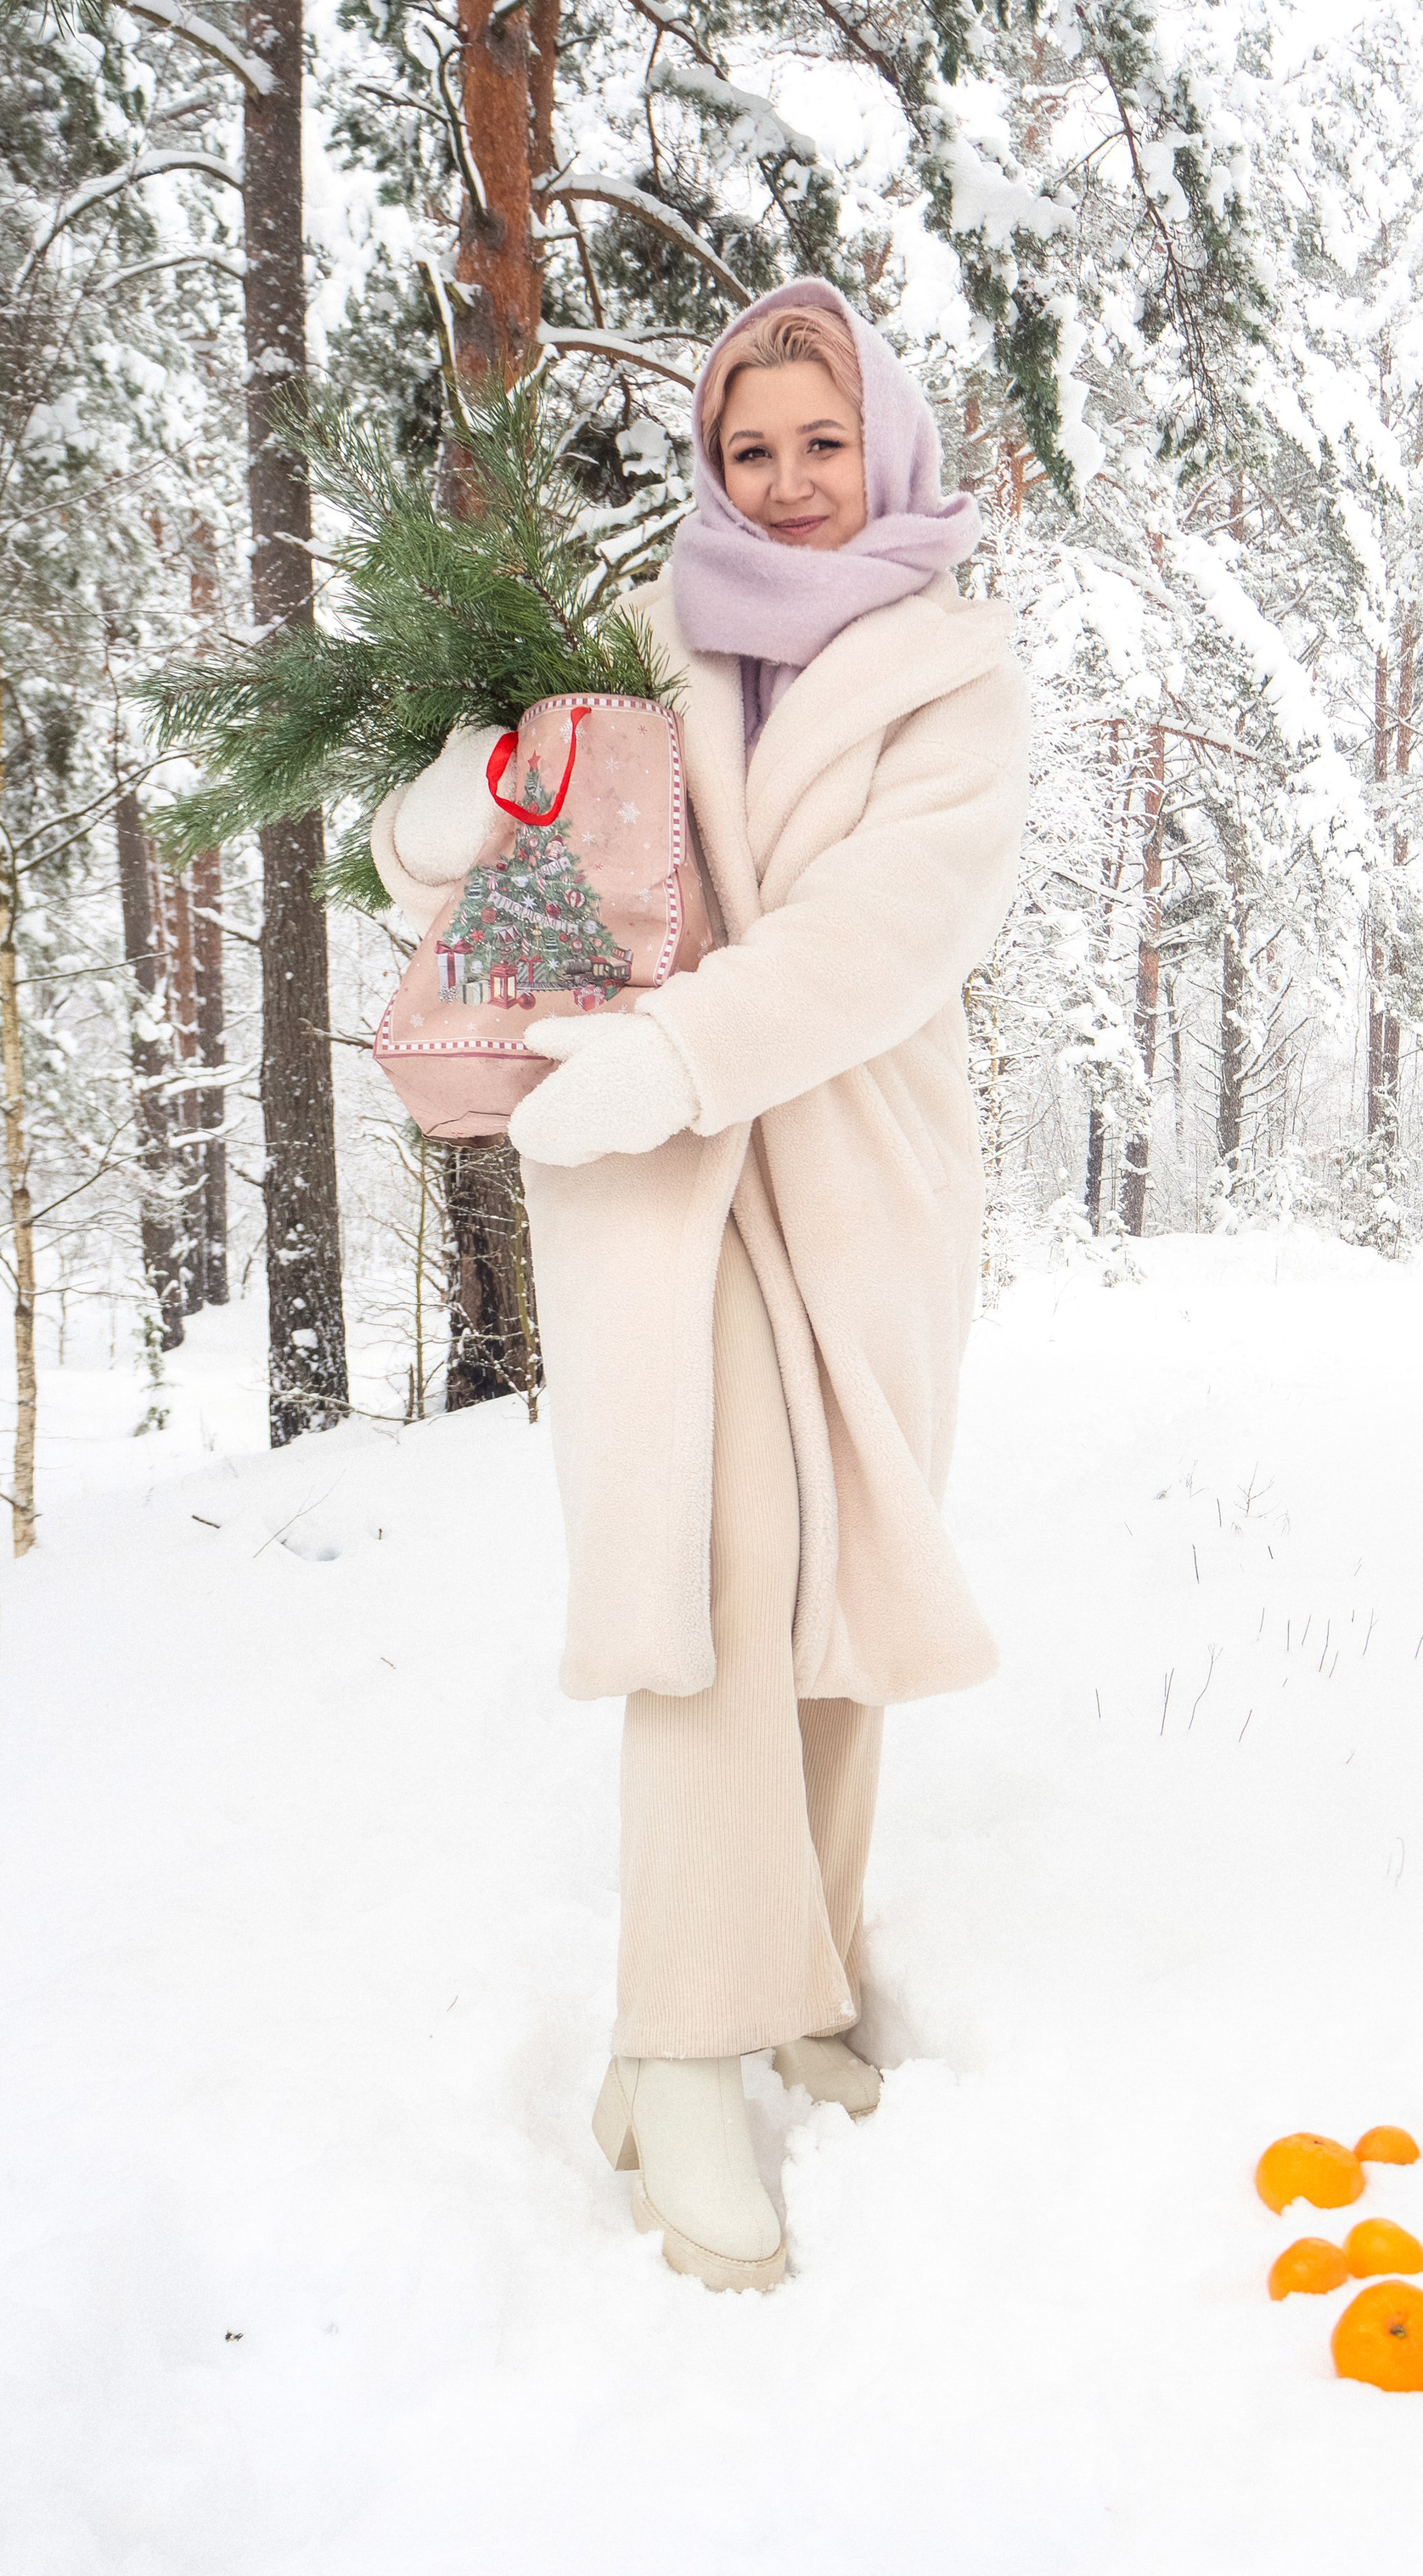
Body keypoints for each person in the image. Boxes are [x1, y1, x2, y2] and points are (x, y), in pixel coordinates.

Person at [371, 279, 1030, 2289]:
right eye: (751, 450)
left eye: (820, 442)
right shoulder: (647, 637)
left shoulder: (956, 678)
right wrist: (470, 796)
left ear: (883, 443)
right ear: (711, 466)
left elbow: (882, 940)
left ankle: (805, 1983)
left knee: (831, 1586)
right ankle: (671, 2048)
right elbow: (454, 872)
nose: (788, 481)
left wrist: (670, 1051)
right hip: (651, 1184)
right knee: (705, 1584)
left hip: (851, 1166)